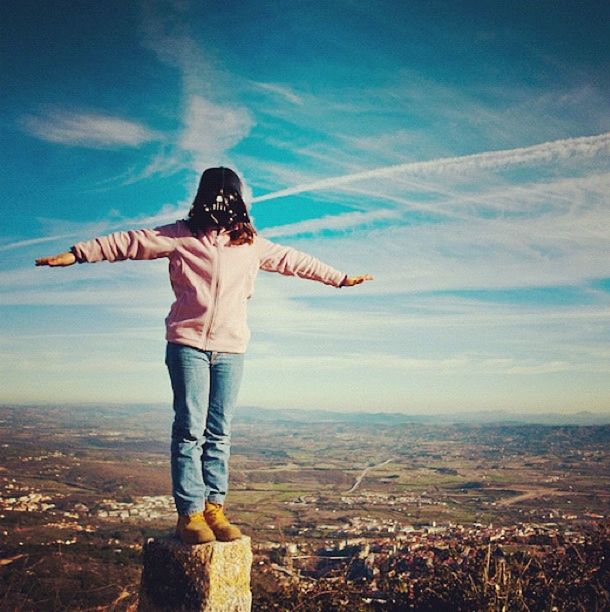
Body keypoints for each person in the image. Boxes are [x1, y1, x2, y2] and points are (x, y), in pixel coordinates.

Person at [35, 167, 373, 545]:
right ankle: (190, 514)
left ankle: (215, 507)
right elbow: (129, 242)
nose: (222, 205)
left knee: (219, 432)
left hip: (231, 349)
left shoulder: (251, 245)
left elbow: (296, 261)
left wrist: (340, 278)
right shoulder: (180, 236)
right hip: (187, 345)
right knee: (189, 430)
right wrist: (77, 254)